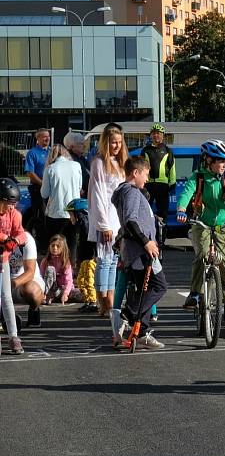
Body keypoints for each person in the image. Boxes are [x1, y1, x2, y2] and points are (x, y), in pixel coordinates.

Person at [177, 140, 225, 339]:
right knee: (202, 255)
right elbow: (187, 192)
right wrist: (182, 209)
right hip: (201, 224)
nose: (224, 165)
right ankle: (194, 293)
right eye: (220, 161)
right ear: (208, 160)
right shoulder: (199, 176)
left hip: (222, 226)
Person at [111, 156, 167, 349]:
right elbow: (131, 221)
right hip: (140, 251)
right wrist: (146, 243)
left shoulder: (130, 192)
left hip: (137, 251)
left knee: (144, 289)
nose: (147, 179)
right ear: (135, 173)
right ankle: (129, 312)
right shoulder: (131, 192)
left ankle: (141, 332)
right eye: (146, 174)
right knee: (159, 286)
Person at [88, 124, 128, 318]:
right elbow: (97, 195)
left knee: (113, 262)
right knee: (104, 260)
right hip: (105, 218)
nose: (117, 146)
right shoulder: (99, 163)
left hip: (118, 219)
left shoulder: (121, 163)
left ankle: (111, 300)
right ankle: (103, 301)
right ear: (106, 142)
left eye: (120, 142)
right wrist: (103, 224)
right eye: (113, 142)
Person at [0, 178, 26, 354]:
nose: (11, 207)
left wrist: (15, 240)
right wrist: (4, 238)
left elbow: (21, 233)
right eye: (8, 203)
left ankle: (13, 336)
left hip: (3, 259)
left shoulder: (15, 214)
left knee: (6, 297)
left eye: (13, 204)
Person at [41, 144, 82, 251]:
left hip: (55, 213)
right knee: (71, 245)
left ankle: (55, 267)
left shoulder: (49, 169)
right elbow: (79, 187)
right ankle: (71, 266)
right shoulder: (76, 165)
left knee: (55, 247)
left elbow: (44, 194)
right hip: (73, 212)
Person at [7, 230, 45, 328]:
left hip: (25, 281)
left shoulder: (26, 239)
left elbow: (30, 273)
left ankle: (34, 309)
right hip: (4, 280)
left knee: (31, 290)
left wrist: (9, 285)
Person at [65, 198, 97, 313]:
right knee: (81, 280)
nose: (70, 218)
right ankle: (88, 300)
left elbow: (92, 242)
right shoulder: (79, 226)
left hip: (89, 258)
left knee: (89, 280)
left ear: (79, 214)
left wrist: (94, 255)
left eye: (71, 215)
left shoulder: (86, 225)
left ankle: (93, 301)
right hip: (84, 258)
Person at [142, 123, 176, 222]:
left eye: (158, 133)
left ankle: (162, 236)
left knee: (163, 213)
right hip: (149, 184)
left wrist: (172, 183)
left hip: (163, 185)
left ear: (162, 135)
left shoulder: (168, 150)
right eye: (154, 133)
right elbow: (141, 167)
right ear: (151, 135)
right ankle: (146, 235)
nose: (156, 135)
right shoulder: (145, 150)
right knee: (145, 210)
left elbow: (172, 167)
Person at [22, 128, 51, 248]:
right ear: (37, 138)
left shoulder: (51, 151)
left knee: (50, 216)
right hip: (38, 190)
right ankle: (41, 245)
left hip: (52, 190)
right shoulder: (32, 153)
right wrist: (43, 184)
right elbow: (30, 173)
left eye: (48, 136)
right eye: (44, 136)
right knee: (41, 217)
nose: (47, 138)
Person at [40, 234, 81, 305]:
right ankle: (48, 296)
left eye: (58, 246)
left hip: (65, 290)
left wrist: (65, 293)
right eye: (52, 245)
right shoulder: (45, 261)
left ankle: (62, 298)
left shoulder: (65, 262)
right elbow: (41, 277)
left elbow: (69, 280)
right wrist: (42, 292)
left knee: (82, 294)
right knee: (50, 269)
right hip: (51, 290)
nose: (55, 248)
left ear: (63, 248)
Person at [63, 131, 90, 195]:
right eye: (81, 144)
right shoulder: (69, 160)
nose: (84, 146)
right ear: (72, 146)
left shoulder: (81, 158)